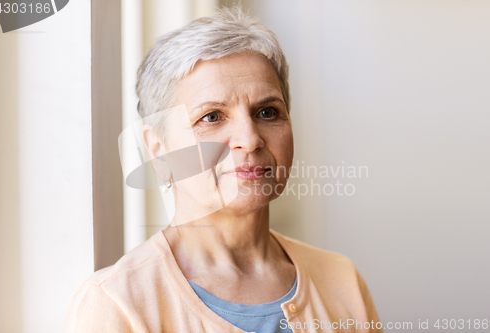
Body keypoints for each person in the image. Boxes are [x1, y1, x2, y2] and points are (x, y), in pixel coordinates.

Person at [62, 7, 382, 333]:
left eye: (268, 112)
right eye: (212, 117)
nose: (251, 139)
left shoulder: (342, 280)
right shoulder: (117, 304)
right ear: (157, 150)